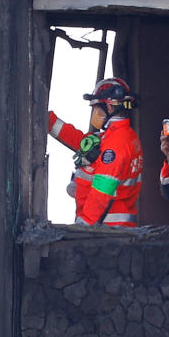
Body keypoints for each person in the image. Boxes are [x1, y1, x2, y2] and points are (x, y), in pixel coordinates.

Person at [48, 77, 143, 228]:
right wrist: (49, 122)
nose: (95, 114)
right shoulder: (116, 136)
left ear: (110, 107)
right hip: (107, 228)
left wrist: (83, 226)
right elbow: (81, 141)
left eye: (97, 108)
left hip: (106, 232)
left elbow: (103, 190)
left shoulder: (116, 144)